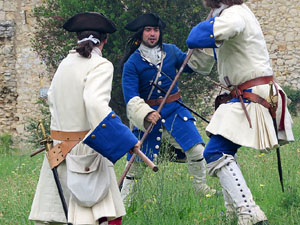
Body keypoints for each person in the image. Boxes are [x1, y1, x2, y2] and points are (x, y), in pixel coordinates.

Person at [186, 0, 294, 224]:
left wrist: (208, 24)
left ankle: (249, 212)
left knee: (215, 152)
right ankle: (233, 214)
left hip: (253, 94)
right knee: (224, 150)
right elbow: (202, 63)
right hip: (246, 94)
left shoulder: (234, 14)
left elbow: (197, 37)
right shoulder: (231, 14)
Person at [29, 12, 140, 225]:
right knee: (98, 218)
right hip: (86, 152)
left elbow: (52, 100)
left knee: (57, 219)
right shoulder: (101, 65)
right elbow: (94, 103)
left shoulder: (64, 64)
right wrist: (125, 139)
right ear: (104, 40)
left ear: (77, 38)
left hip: (58, 150)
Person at [120, 13, 216, 204]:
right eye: (148, 30)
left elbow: (191, 65)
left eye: (155, 30)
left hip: (175, 111)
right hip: (148, 117)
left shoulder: (171, 52)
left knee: (197, 150)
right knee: (136, 164)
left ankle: (201, 189)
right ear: (141, 33)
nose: (153, 34)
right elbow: (130, 97)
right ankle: (125, 202)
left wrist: (200, 47)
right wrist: (146, 114)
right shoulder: (132, 63)